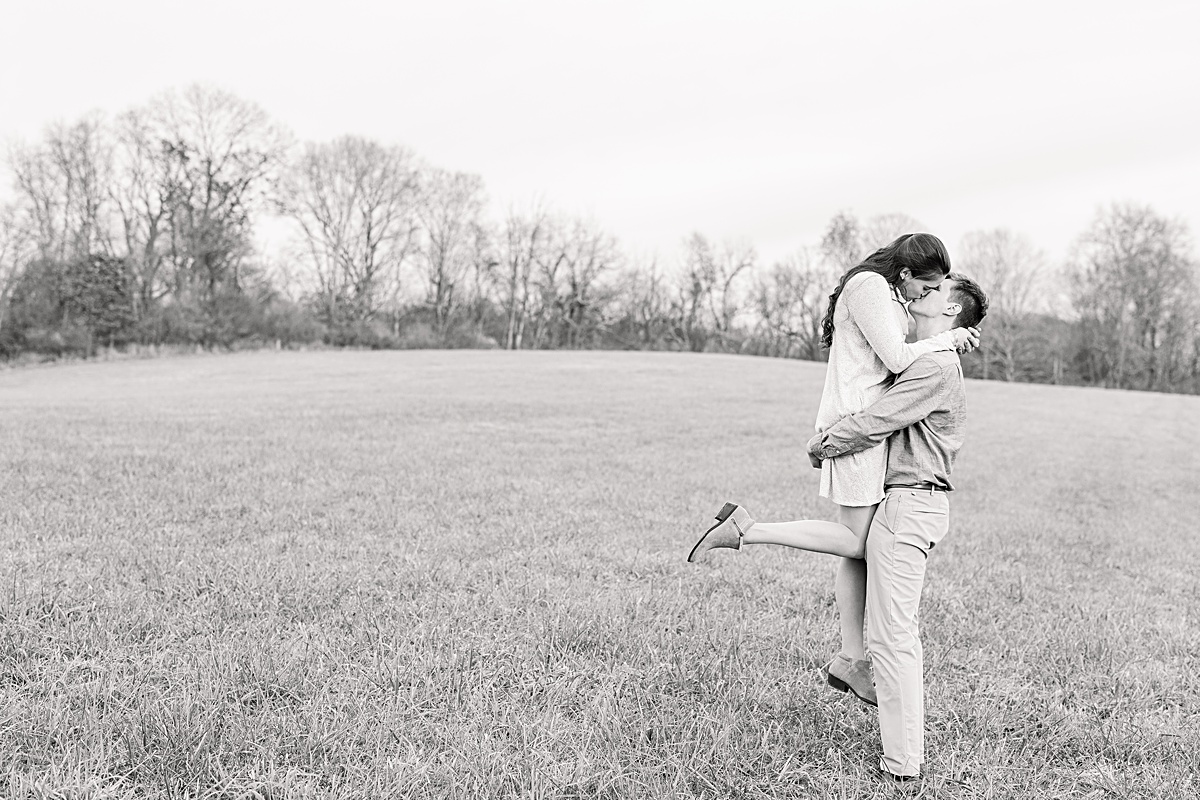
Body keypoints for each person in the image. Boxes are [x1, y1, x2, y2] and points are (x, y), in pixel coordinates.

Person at [688, 233, 978, 704]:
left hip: (867, 432)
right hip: (856, 429)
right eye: (925, 287)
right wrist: (946, 338)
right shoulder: (868, 287)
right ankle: (745, 528)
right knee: (856, 542)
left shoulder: (888, 297)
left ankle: (849, 657)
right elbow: (899, 359)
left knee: (856, 549)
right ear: (904, 274)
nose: (926, 296)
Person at [807, 273, 988, 780]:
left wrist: (822, 444)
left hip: (910, 505)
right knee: (889, 630)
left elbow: (876, 420)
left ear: (951, 313)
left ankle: (904, 763)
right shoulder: (929, 355)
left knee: (892, 638)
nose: (921, 294)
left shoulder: (933, 366)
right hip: (905, 504)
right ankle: (897, 746)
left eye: (934, 292)